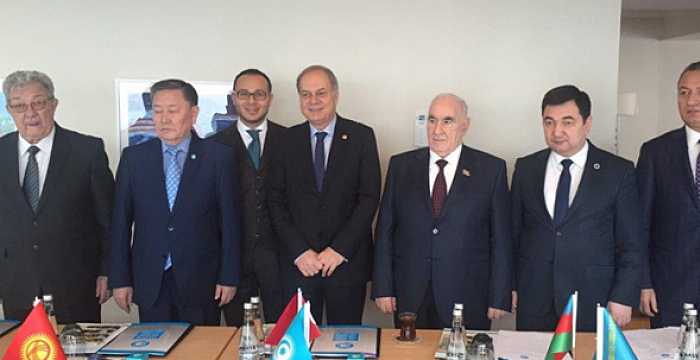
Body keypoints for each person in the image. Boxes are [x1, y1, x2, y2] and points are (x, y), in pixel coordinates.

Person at [372, 94, 511, 329]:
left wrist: (500, 295)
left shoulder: (491, 169)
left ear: (465, 125)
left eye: (447, 121)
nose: (437, 129)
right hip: (410, 293)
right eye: (432, 120)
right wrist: (383, 288)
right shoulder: (401, 166)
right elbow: (385, 229)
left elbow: (501, 237)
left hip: (468, 295)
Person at [110, 79, 241, 325]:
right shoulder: (134, 158)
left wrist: (229, 277)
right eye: (157, 111)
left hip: (202, 279)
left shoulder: (218, 158)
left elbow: (230, 222)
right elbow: (120, 223)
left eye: (173, 111)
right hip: (150, 279)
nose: (163, 119)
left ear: (193, 114)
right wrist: (120, 279)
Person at [511, 85, 642, 331]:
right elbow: (514, 234)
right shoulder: (526, 169)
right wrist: (510, 286)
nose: (557, 131)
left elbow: (631, 242)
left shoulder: (618, 172)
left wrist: (624, 295)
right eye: (549, 122)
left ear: (587, 123)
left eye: (567, 122)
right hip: (535, 297)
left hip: (592, 297)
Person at [267, 65, 381, 324]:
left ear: (336, 95)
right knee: (299, 344)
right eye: (305, 94)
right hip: (299, 265)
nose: (313, 101)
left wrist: (339, 249)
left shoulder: (361, 136)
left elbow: (369, 198)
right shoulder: (286, 140)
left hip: (346, 263)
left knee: (345, 341)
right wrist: (299, 252)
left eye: (321, 93)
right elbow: (275, 201)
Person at [0, 70, 114, 322]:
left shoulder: (87, 151)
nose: (29, 113)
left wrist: (107, 271)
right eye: (19, 106)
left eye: (38, 103)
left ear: (53, 104)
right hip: (16, 283)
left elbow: (108, 220)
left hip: (76, 281)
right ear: (9, 110)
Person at [210, 69, 285, 325]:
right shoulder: (214, 146)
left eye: (259, 94)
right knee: (240, 337)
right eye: (244, 94)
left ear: (270, 99)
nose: (251, 101)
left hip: (282, 259)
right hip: (233, 261)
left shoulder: (291, 140)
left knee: (284, 334)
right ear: (234, 97)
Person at [638, 61, 700, 328]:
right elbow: (639, 225)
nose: (691, 100)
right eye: (683, 92)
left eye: (699, 91)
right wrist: (643, 283)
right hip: (671, 288)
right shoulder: (655, 153)